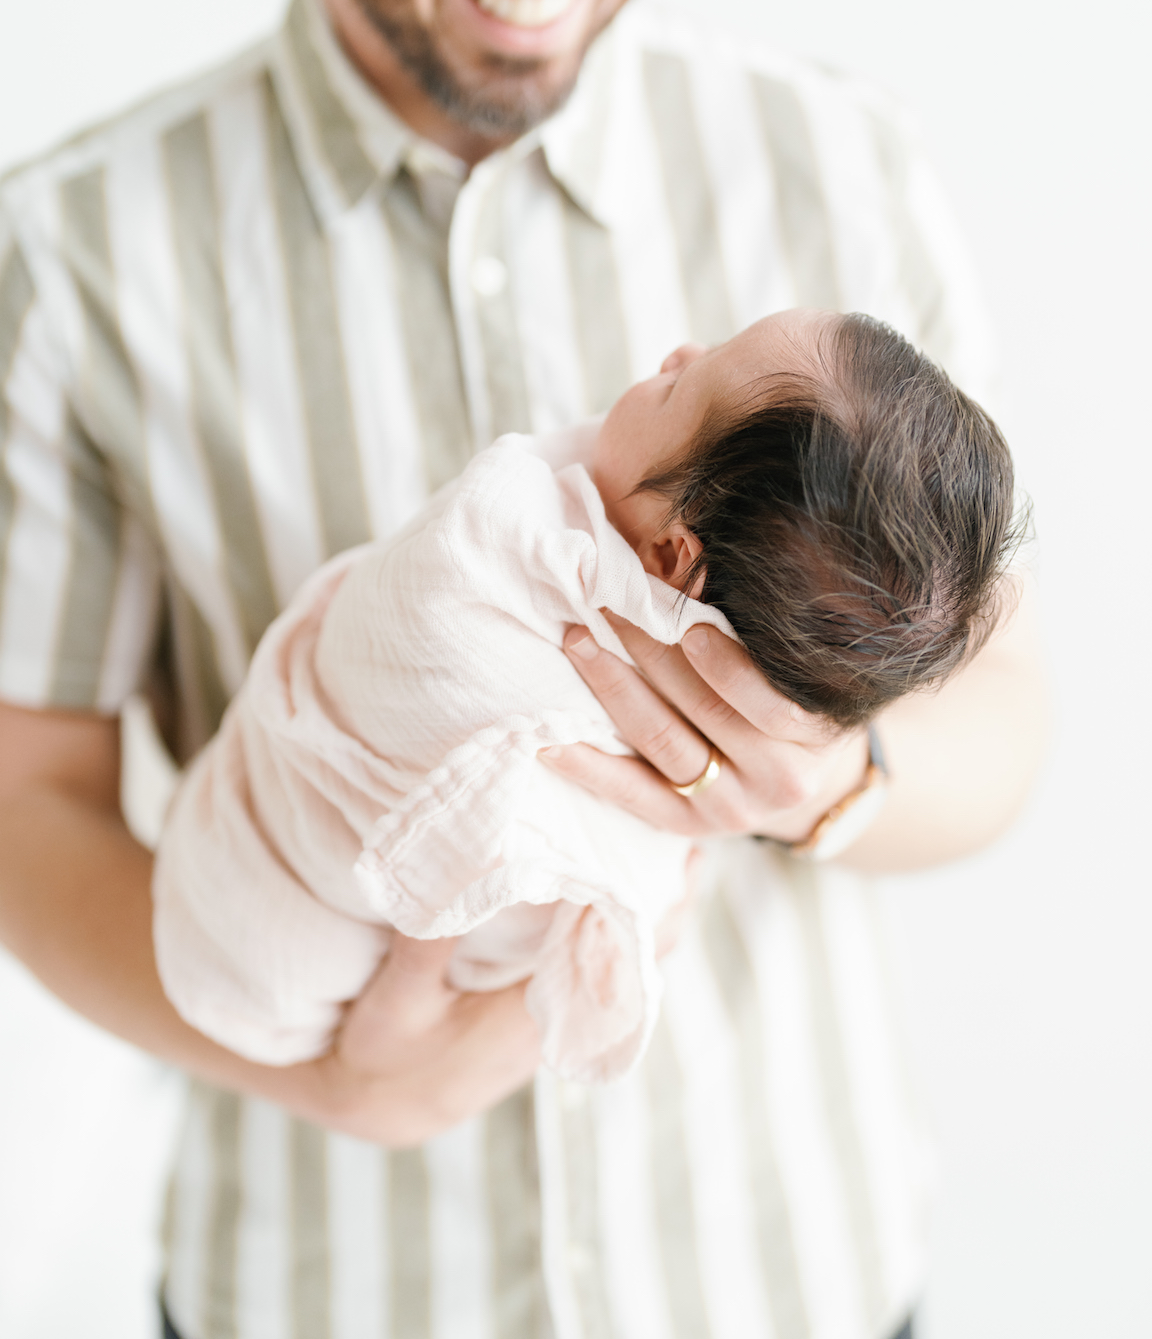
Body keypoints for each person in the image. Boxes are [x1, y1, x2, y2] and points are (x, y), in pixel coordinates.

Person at [0, 0, 1048, 1335]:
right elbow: (25, 793)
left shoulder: (836, 166)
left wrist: (832, 785)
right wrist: (318, 1073)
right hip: (327, 1284)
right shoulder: (77, 255)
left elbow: (1005, 694)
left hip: (784, 1276)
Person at [153, 309, 1024, 1089]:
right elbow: (423, 619)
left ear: (670, 560)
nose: (678, 348)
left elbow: (1010, 707)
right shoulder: (511, 552)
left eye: (684, 380)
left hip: (772, 1158)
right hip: (305, 1022)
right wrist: (355, 1095)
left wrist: (830, 786)